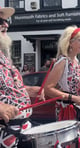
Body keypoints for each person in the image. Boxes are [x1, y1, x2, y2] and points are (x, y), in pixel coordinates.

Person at [44, 25, 80, 148]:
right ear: (71, 42)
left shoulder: (76, 61)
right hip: (67, 111)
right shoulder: (63, 62)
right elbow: (48, 88)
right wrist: (73, 98)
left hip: (78, 110)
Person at [0, 7, 45, 148]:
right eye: (0, 21)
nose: (6, 25)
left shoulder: (3, 56)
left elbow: (7, 88)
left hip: (22, 128)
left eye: (6, 21)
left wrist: (29, 89)